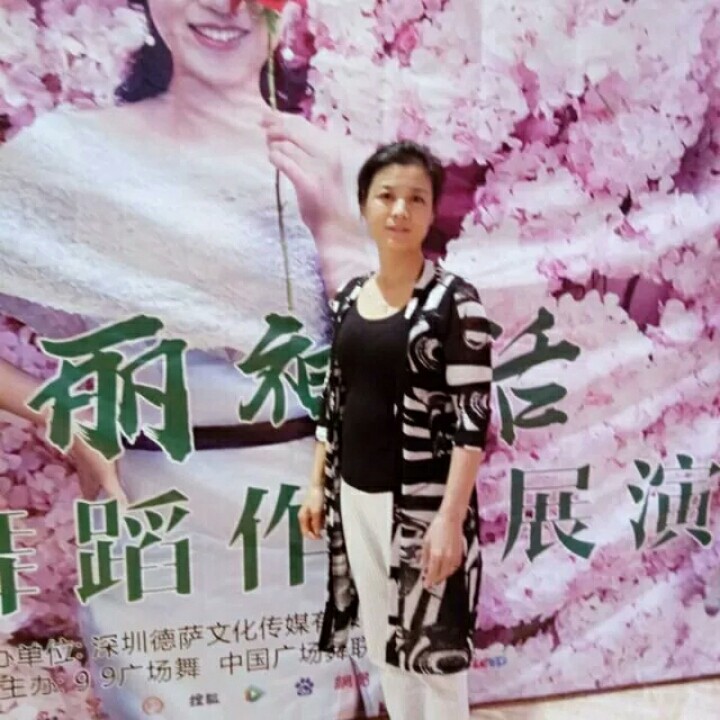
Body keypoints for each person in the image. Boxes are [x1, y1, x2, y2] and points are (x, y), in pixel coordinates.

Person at [0, 1, 373, 718]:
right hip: (150, 521)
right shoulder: (75, 153)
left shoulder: (335, 161)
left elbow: (399, 374)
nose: (224, 6)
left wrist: (333, 229)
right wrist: (59, 416)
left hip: (301, 526)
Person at [298, 140, 493, 720]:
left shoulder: (455, 302)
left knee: (435, 653)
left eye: (416, 198)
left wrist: (449, 521)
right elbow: (336, 396)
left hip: (423, 506)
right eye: (386, 196)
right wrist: (317, 483)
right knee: (387, 644)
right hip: (356, 497)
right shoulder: (351, 298)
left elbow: (472, 421)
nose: (400, 210)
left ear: (432, 213)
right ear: (364, 205)